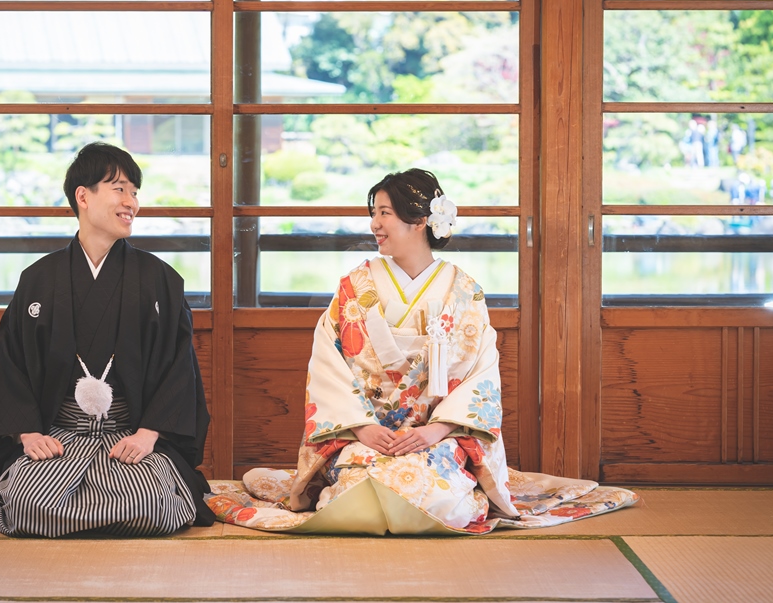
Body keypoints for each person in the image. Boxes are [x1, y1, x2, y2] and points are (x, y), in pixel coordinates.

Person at [204, 169, 637, 534]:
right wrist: (360, 428)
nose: (374, 224)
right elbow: (328, 362)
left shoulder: (463, 291)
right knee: (355, 492)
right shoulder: (356, 287)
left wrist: (439, 429)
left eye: (384, 213)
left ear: (419, 221)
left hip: (436, 434)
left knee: (439, 499)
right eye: (374, 212)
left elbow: (481, 371)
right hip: (367, 433)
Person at [0, 142, 214, 537]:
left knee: (149, 503)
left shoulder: (159, 279)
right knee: (28, 501)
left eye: (134, 192)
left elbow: (179, 367)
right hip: (60, 437)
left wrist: (149, 434)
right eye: (119, 189)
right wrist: (28, 433)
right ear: (83, 197)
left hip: (127, 435)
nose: (131, 202)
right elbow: (12, 362)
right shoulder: (39, 279)